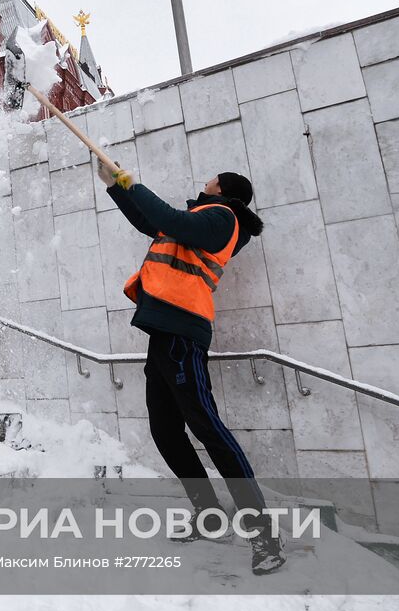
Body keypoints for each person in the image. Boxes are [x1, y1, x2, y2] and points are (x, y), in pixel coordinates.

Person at [98, 159, 284, 575]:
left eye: (212, 177)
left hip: (183, 332)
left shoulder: (223, 218)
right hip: (164, 332)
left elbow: (170, 220)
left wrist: (136, 181)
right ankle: (208, 514)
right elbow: (153, 223)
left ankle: (263, 534)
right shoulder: (200, 218)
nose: (206, 178)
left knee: (208, 429)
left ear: (224, 189)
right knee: (165, 430)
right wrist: (116, 187)